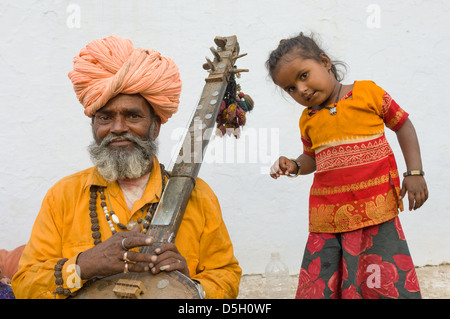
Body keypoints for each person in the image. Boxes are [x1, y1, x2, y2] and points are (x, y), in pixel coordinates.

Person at [11, 35, 241, 299]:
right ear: (94, 126)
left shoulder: (199, 196)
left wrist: (188, 284)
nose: (118, 128)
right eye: (105, 117)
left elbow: (226, 276)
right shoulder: (63, 195)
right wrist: (83, 264)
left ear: (155, 126)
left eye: (133, 115)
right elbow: (24, 283)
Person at [266, 32, 428, 299]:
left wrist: (414, 173)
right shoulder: (308, 119)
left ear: (325, 61)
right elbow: (313, 158)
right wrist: (294, 165)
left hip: (375, 211)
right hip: (328, 218)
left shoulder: (368, 93)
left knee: (380, 282)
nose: (301, 90)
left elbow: (403, 125)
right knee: (327, 284)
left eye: (303, 75)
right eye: (290, 88)